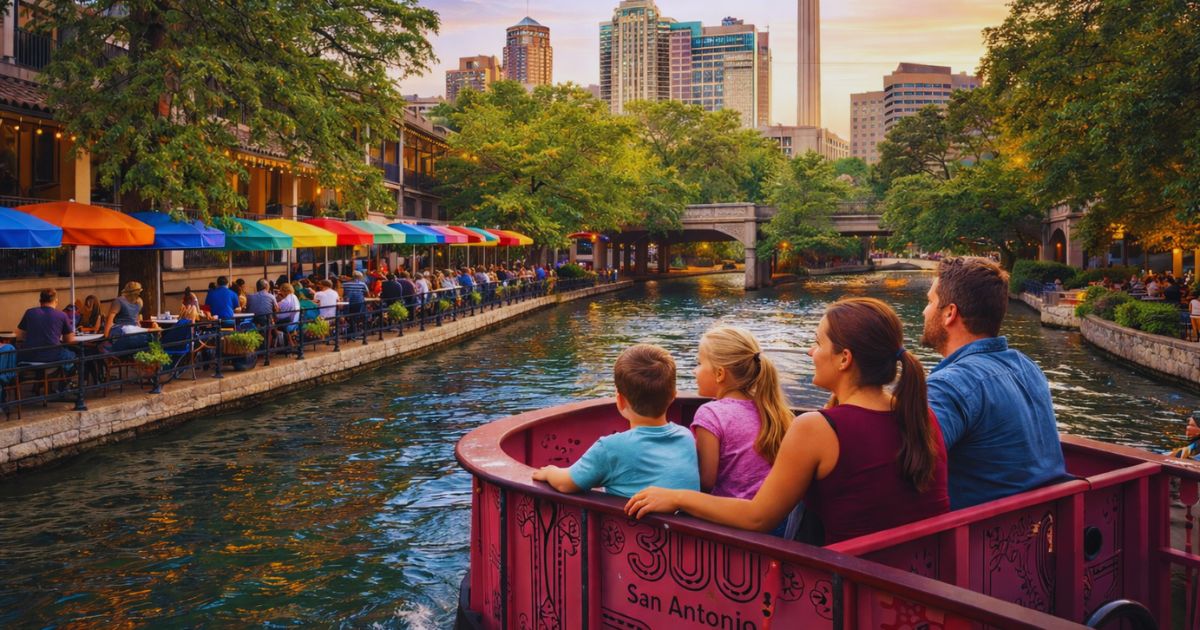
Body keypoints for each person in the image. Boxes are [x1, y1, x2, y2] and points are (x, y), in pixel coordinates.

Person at [625, 299, 948, 545]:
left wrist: (677, 497)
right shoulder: (920, 416)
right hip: (919, 581)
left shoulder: (816, 428)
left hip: (850, 589)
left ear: (844, 359)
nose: (811, 351)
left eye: (818, 343)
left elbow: (758, 519)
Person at [920, 257, 1069, 510]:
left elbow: (907, 465)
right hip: (1046, 525)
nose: (925, 311)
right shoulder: (1027, 366)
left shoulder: (950, 385)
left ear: (949, 313)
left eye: (930, 302)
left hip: (981, 541)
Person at [532, 344, 700, 499]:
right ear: (672, 397)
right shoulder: (686, 437)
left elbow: (565, 483)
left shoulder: (610, 448)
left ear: (620, 400)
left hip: (634, 530)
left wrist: (550, 472)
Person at [691, 326, 793, 503]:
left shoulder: (710, 414)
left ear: (719, 374)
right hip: (776, 518)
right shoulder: (769, 407)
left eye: (699, 363)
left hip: (731, 520)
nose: (694, 371)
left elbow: (705, 483)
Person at [16, 289, 76, 366]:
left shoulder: (29, 312)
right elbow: (70, 340)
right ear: (56, 301)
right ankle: (68, 375)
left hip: (29, 357)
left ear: (40, 301)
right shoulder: (62, 315)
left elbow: (20, 336)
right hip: (53, 357)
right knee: (72, 355)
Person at [103, 281, 157, 352]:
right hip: (121, 329)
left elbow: (136, 319)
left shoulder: (139, 302)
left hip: (132, 330)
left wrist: (139, 328)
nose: (139, 294)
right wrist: (106, 337)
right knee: (128, 329)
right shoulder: (119, 301)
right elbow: (110, 319)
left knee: (133, 330)